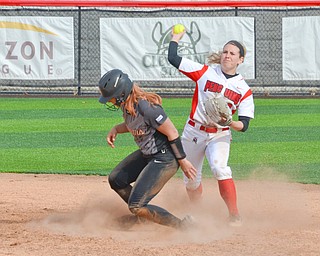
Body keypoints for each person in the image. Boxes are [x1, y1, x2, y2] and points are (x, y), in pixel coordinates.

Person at [168, 28, 255, 227]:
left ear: (240, 59)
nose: (227, 55)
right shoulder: (205, 73)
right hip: (193, 132)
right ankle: (198, 214)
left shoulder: (244, 90)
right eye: (225, 52)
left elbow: (245, 125)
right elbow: (173, 58)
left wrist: (230, 123)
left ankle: (234, 215)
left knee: (220, 169)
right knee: (191, 178)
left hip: (220, 134)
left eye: (232, 53)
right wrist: (176, 38)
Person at [98, 69, 197, 230]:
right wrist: (116, 129)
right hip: (148, 155)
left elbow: (172, 132)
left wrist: (183, 160)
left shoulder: (147, 108)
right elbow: (133, 125)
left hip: (165, 158)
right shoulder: (127, 105)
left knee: (136, 205)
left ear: (122, 93)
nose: (111, 101)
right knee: (116, 179)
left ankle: (183, 226)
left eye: (112, 98)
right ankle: (143, 218)